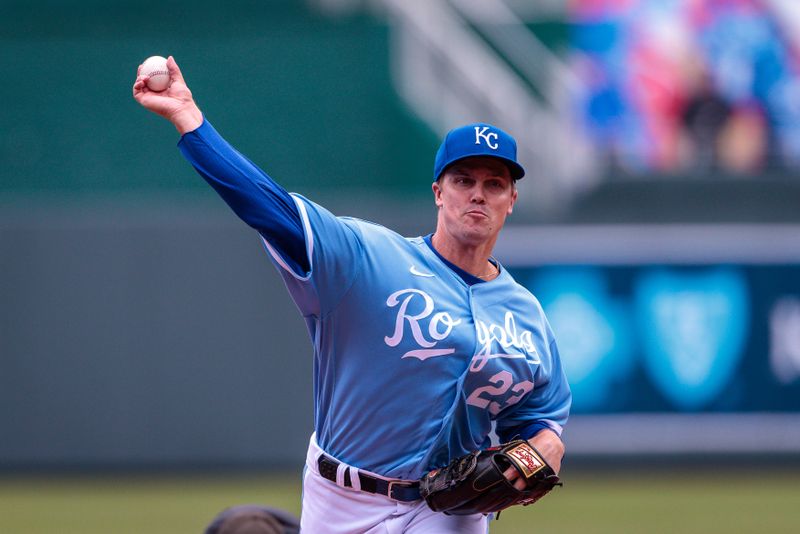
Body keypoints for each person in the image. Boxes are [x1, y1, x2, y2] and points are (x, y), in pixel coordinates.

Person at [133, 56, 571, 533]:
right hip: (344, 500)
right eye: (463, 180)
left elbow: (538, 418)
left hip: (448, 513)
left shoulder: (526, 316)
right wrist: (188, 120)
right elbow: (265, 204)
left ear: (512, 200)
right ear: (438, 192)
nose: (478, 194)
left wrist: (545, 443)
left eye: (494, 184)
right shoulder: (367, 257)